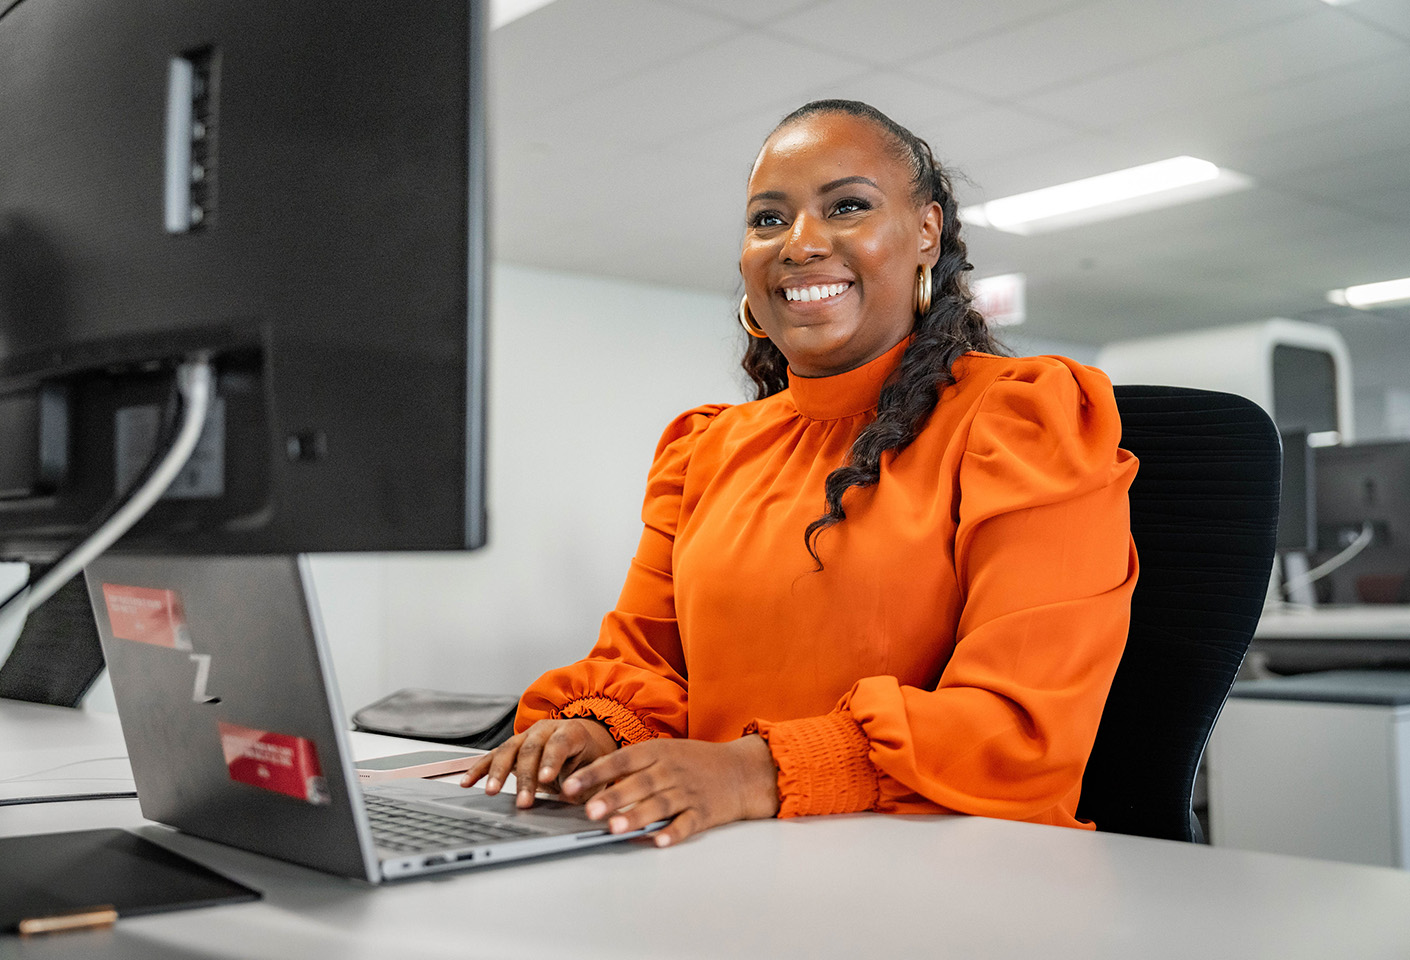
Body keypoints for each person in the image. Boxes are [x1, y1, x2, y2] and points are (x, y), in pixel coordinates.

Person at [462, 99, 1139, 848]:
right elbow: (643, 663)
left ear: (926, 232)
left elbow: (1020, 722)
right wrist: (594, 732)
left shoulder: (1022, 420)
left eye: (847, 206)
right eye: (768, 219)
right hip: (725, 855)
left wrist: (754, 773)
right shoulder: (704, 449)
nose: (800, 244)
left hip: (952, 869)